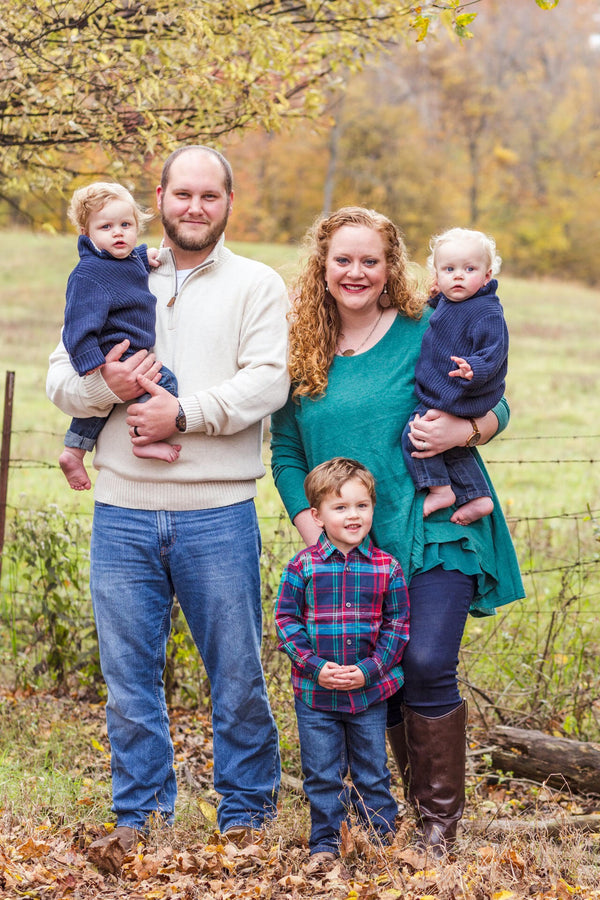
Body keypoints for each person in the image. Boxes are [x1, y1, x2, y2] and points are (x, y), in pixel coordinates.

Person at [46, 146, 289, 862]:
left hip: (218, 510)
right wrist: (111, 389)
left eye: (209, 195)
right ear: (160, 196)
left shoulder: (257, 283)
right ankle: (142, 813)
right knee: (128, 680)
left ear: (228, 202)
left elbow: (267, 383)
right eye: (182, 193)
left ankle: (244, 809)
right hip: (121, 508)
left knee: (238, 672)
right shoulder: (114, 266)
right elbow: (63, 375)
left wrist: (183, 414)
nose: (194, 207)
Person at [270, 207, 524, 859]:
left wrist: (464, 430)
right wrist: (309, 527)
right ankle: (402, 810)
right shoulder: (301, 349)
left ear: (392, 268)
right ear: (322, 267)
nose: (357, 272)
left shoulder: (425, 328)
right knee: (376, 679)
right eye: (344, 260)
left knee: (427, 663)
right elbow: (288, 454)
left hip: (436, 528)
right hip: (354, 550)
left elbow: (495, 398)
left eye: (371, 260)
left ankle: (439, 825)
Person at [275, 457, 409, 872]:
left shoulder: (387, 568)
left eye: (361, 505)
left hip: (368, 693)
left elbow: (398, 626)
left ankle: (382, 838)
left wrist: (369, 670)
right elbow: (286, 621)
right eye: (340, 507)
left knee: (372, 769)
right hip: (316, 695)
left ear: (372, 508)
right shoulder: (302, 567)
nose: (353, 515)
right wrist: (315, 666)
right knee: (321, 773)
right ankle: (326, 843)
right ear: (316, 515)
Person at [59, 182, 181, 491]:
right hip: (117, 349)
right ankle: (143, 440)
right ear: (88, 235)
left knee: (102, 406)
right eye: (106, 226)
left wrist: (146, 255)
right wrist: (90, 362)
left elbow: (131, 266)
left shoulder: (123, 261)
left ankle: (74, 451)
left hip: (125, 350)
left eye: (126, 225)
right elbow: (77, 322)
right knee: (164, 383)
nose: (118, 233)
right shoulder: (89, 273)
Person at [401, 227, 508, 525]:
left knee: (416, 436)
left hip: (463, 391)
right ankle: (478, 496)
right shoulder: (451, 300)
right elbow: (437, 311)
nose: (458, 276)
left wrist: (475, 369)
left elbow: (495, 350)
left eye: (469, 269)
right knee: (447, 446)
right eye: (449, 269)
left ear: (487, 276)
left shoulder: (486, 311)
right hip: (447, 390)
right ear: (436, 276)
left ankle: (441, 490)